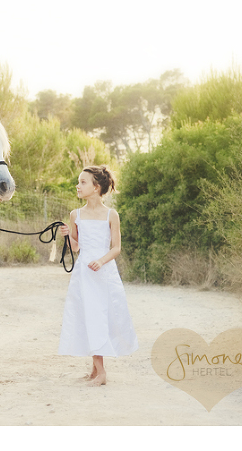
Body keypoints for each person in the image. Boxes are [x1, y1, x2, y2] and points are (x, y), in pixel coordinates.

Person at [58, 165, 138, 386]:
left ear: (96, 187)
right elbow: (75, 247)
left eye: (83, 182)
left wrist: (101, 261)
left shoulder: (111, 215)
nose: (78, 185)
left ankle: (101, 373)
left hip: (103, 272)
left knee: (100, 317)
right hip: (84, 273)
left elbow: (116, 248)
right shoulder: (76, 214)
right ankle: (95, 371)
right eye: (79, 181)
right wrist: (67, 236)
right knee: (89, 316)